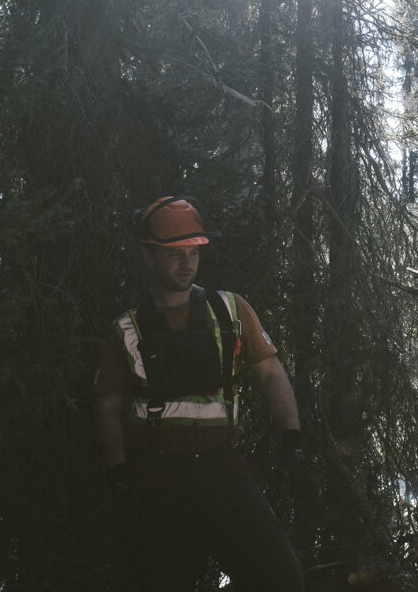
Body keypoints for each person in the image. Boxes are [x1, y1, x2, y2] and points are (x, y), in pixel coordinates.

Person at [93, 195, 306, 591]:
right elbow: (108, 403)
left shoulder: (231, 310)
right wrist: (119, 471)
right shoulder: (125, 329)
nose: (187, 262)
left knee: (280, 579)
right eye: (175, 253)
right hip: (156, 479)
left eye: (193, 251)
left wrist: (291, 432)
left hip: (223, 470)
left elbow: (270, 372)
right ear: (148, 255)